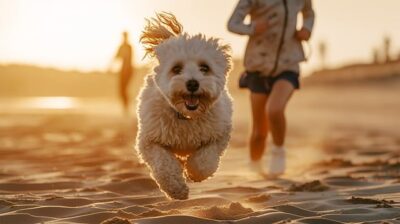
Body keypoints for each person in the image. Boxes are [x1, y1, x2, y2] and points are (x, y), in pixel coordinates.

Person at [227, 0, 315, 176]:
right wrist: (252, 27)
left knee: (274, 110)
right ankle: (255, 166)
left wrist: (306, 28)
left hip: (288, 65)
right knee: (259, 131)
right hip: (258, 67)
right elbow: (232, 24)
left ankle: (278, 152)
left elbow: (309, 12)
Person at [114, 31, 134, 114]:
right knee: (122, 90)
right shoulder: (121, 46)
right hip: (123, 70)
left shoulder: (129, 47)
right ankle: (125, 108)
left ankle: (126, 108)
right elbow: (116, 57)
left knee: (124, 89)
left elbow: (129, 57)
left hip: (128, 70)